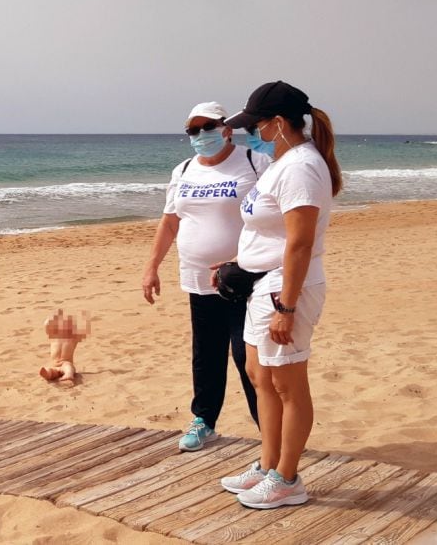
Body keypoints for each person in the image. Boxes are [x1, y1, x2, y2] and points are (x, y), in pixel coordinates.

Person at [216, 81, 342, 509]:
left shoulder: (301, 167)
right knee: (260, 375)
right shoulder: (280, 161)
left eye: (256, 124)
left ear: (278, 123)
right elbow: (267, 230)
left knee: (288, 383)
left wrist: (286, 306)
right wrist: (240, 262)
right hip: (262, 282)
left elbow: (300, 243)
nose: (252, 132)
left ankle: (288, 478)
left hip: (286, 286)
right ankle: (269, 465)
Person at [142, 102, 268, 451]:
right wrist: (151, 267)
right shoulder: (183, 170)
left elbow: (276, 215)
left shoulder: (254, 162)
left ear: (226, 128)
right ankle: (205, 421)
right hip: (198, 281)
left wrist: (245, 258)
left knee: (249, 358)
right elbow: (170, 222)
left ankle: (269, 429)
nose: (200, 135)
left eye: (207, 127)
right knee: (206, 354)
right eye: (192, 130)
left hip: (246, 280)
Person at [38, 309, 90, 387]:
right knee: (51, 371)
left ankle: (68, 375)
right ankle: (47, 373)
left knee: (69, 368)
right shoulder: (54, 335)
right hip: (55, 365)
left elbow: (83, 331)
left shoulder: (73, 339)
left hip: (66, 363)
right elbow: (46, 324)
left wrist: (85, 318)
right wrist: (55, 316)